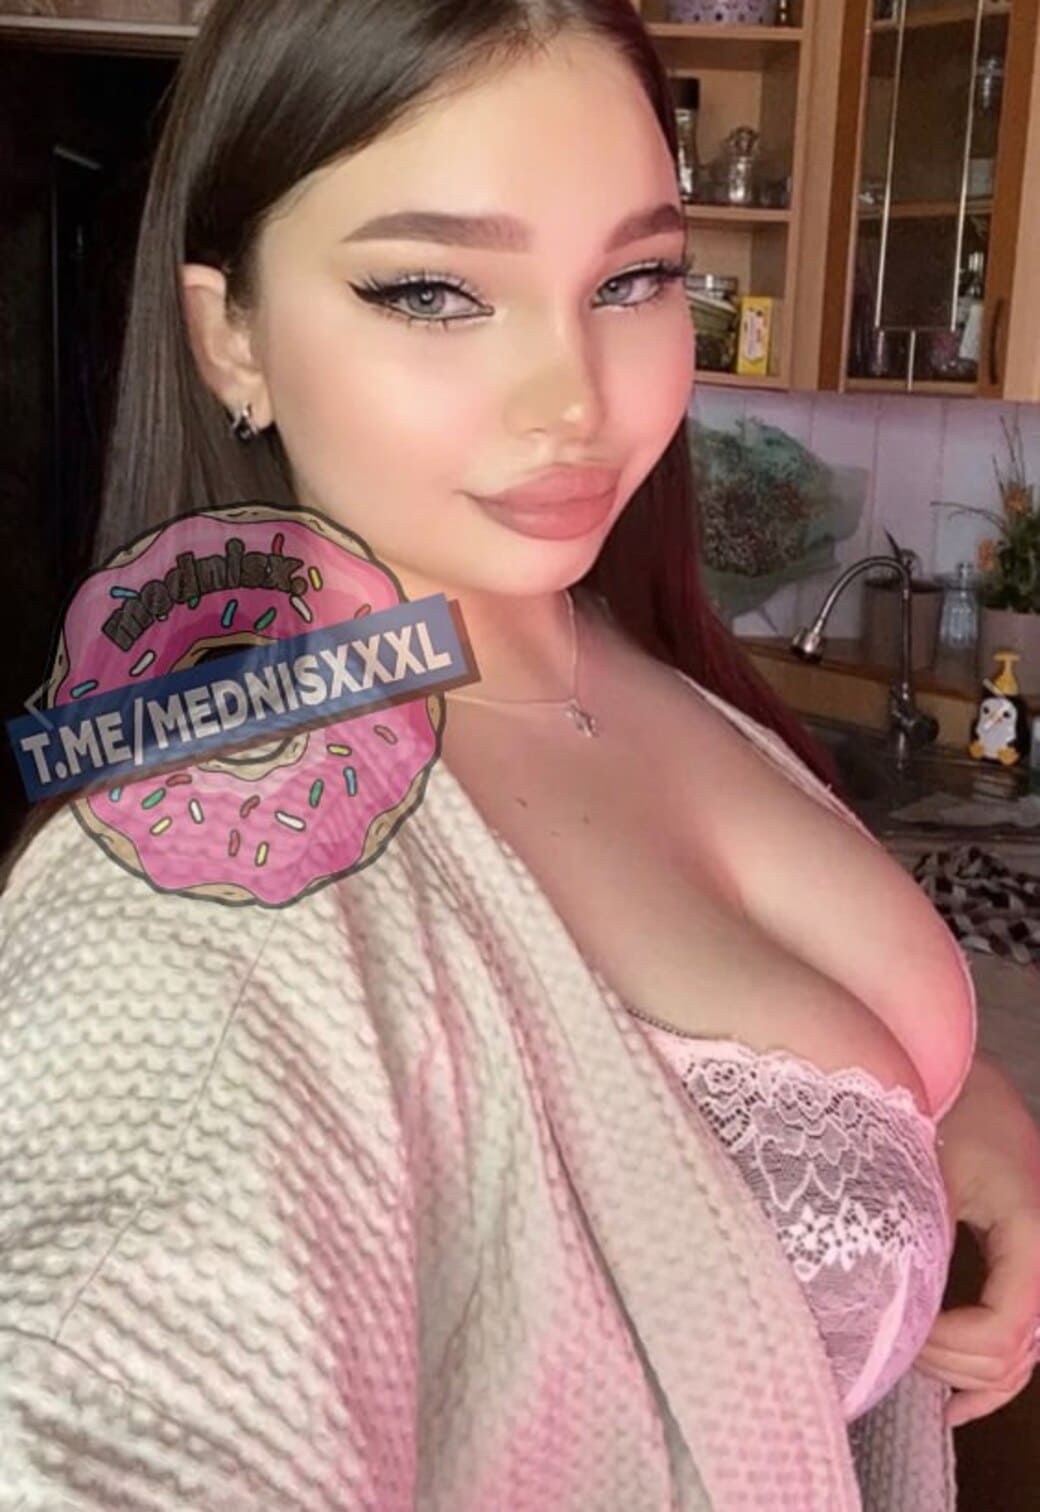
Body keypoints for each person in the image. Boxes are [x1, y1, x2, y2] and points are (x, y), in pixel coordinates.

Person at [1, 0, 1039, 1505]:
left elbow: (812, 1044)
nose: (577, 402)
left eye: (634, 278)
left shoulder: (626, 650)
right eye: (432, 291)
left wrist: (959, 1109)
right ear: (232, 335)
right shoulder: (200, 887)